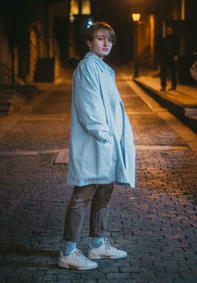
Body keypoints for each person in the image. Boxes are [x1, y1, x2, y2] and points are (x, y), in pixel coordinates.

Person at [58, 22, 136, 270]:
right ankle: (68, 252)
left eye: (109, 39)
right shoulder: (87, 68)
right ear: (89, 42)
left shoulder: (104, 69)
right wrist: (104, 135)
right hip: (95, 143)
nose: (106, 43)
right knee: (83, 195)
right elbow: (89, 107)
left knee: (104, 194)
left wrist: (116, 139)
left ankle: (97, 244)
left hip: (108, 143)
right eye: (100, 38)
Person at [160, 25, 179, 91]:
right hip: (165, 58)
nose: (168, 31)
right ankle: (163, 86)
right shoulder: (164, 38)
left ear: (172, 30)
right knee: (163, 72)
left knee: (172, 72)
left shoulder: (175, 38)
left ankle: (173, 86)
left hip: (172, 57)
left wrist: (176, 55)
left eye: (170, 30)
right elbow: (162, 48)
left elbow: (177, 47)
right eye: (167, 30)